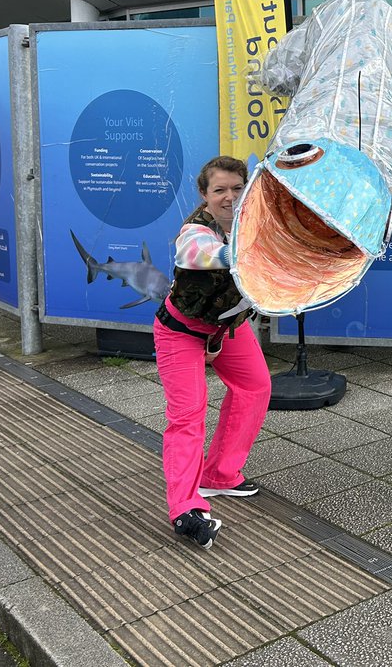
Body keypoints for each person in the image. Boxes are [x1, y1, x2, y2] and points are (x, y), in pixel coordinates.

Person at [153, 156, 272, 550]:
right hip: (181, 332)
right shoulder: (195, 231)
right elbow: (196, 253)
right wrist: (240, 254)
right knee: (188, 415)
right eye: (220, 189)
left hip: (226, 329)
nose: (230, 197)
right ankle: (185, 509)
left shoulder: (256, 222)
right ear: (204, 194)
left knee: (255, 387)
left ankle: (219, 474)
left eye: (238, 188)